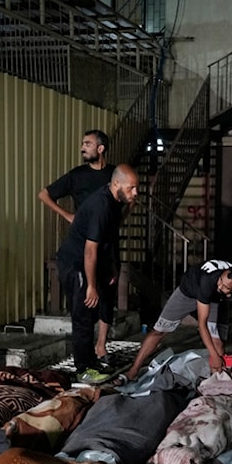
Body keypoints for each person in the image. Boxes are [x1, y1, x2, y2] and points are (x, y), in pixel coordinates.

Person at [39, 129, 121, 367]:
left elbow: (122, 205)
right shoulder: (77, 176)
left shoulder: (113, 176)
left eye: (87, 143)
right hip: (85, 244)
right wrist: (68, 216)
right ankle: (84, 365)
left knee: (107, 296)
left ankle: (101, 346)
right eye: (82, 143)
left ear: (101, 148)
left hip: (107, 243)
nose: (82, 147)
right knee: (86, 303)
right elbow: (43, 194)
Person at [55, 164, 138, 383]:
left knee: (91, 315)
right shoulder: (101, 205)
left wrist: (110, 267)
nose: (135, 193)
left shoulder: (114, 201)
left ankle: (91, 361)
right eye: (131, 188)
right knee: (83, 315)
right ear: (116, 184)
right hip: (76, 263)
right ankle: (83, 369)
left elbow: (108, 237)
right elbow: (90, 250)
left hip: (92, 261)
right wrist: (91, 285)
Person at [121, 259, 232, 383]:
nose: (220, 286)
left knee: (218, 343)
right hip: (188, 292)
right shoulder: (210, 281)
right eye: (221, 281)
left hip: (216, 300)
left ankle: (215, 382)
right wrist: (214, 356)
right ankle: (133, 371)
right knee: (159, 332)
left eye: (226, 287)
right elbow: (202, 324)